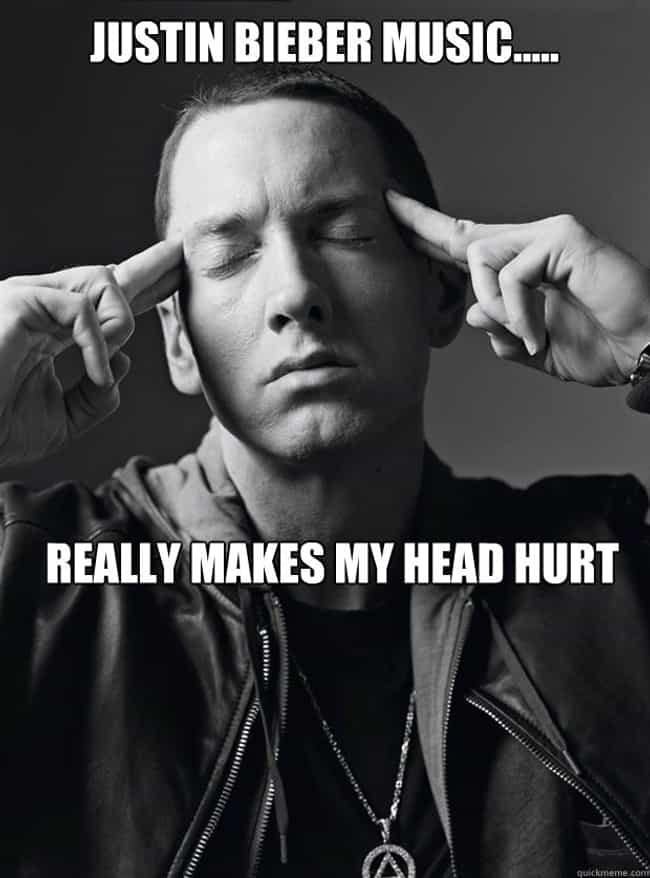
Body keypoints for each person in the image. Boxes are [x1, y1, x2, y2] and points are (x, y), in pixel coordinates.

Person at [1, 67, 649, 878]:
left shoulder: (613, 577)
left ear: (442, 292)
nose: (295, 292)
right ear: (177, 342)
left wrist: (648, 343)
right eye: (230, 255)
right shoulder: (35, 587)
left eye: (343, 232)